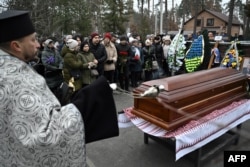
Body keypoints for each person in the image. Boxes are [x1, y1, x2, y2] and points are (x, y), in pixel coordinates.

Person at [0, 10, 118, 166]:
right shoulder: (13, 79)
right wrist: (90, 99)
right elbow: (42, 138)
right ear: (16, 46)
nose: (38, 44)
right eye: (33, 39)